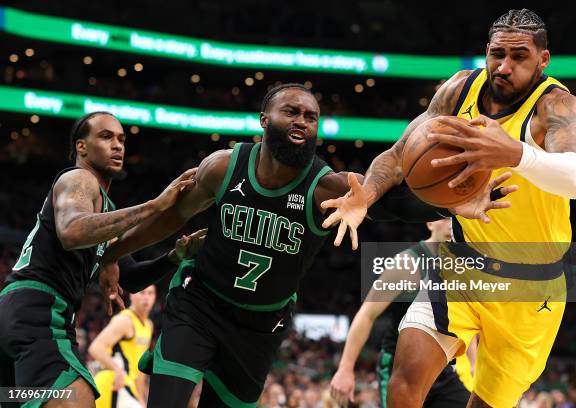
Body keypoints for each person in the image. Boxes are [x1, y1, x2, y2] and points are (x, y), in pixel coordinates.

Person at [101, 83, 512, 407]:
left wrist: (456, 201)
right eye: (292, 112)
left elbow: (391, 204)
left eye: (311, 117)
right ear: (264, 119)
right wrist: (112, 257)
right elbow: (169, 218)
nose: (302, 121)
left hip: (261, 327)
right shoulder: (224, 166)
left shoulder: (324, 185)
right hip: (200, 304)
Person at [321, 9, 576, 408]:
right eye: (497, 53)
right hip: (464, 266)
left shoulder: (555, 106)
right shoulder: (460, 90)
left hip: (533, 287)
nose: (504, 65)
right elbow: (399, 156)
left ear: (543, 60)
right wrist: (368, 195)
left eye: (519, 57)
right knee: (404, 384)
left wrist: (515, 154)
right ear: (486, 51)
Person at [0, 111, 195, 408]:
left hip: (16, 316)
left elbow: (129, 276)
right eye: (106, 137)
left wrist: (174, 257)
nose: (117, 145)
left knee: (13, 400)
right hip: (38, 312)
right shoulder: (79, 179)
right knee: (77, 402)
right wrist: (155, 206)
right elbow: (72, 231)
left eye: (121, 139)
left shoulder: (104, 214)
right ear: (81, 147)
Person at [330, 219, 475, 408]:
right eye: (444, 217)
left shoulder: (460, 265)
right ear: (430, 223)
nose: (450, 224)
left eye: (453, 219)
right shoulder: (408, 262)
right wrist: (345, 368)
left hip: (440, 367)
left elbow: (465, 319)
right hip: (401, 366)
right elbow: (367, 314)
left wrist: (474, 363)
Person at [90, 230, 206, 408]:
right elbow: (96, 348)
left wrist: (143, 399)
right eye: (142, 293)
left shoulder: (148, 325)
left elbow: (140, 374)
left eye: (150, 293)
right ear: (133, 296)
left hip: (129, 388)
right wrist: (117, 371)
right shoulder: (125, 320)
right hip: (113, 384)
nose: (145, 297)